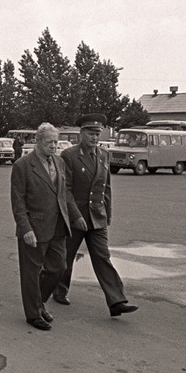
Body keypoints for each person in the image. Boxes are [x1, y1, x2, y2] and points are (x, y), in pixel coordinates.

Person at [55, 113, 139, 317]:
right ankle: (58, 290)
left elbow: (106, 187)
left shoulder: (103, 155)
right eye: (91, 133)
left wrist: (107, 214)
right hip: (76, 219)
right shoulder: (69, 156)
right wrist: (75, 216)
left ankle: (116, 301)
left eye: (97, 133)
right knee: (65, 257)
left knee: (103, 257)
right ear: (81, 133)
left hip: (97, 217)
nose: (94, 137)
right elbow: (65, 190)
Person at [10, 122, 72, 331]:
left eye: (56, 142)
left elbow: (62, 194)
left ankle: (40, 301)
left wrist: (73, 217)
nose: (54, 146)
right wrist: (25, 228)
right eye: (49, 142)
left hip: (57, 226)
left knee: (58, 268)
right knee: (31, 272)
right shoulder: (23, 165)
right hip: (34, 227)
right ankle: (33, 314)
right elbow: (18, 201)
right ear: (37, 142)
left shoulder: (60, 162)